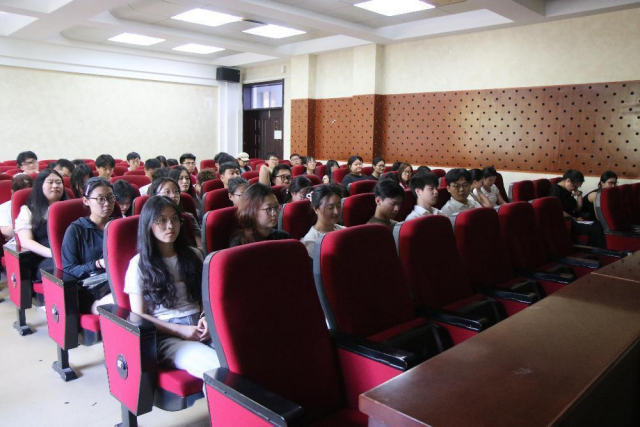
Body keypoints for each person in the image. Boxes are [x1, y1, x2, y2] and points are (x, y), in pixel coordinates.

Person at [124, 196, 219, 380]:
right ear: (149, 225)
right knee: (214, 367)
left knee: (237, 357)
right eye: (162, 220)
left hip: (201, 326)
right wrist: (179, 330)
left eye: (175, 219)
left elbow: (204, 296)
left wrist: (205, 317)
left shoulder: (194, 255)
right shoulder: (139, 264)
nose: (170, 226)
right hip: (167, 334)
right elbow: (138, 315)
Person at [61, 177, 116, 314]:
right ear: (86, 201)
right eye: (101, 199)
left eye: (110, 198)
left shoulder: (117, 226)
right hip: (93, 289)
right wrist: (97, 264)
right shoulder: (76, 230)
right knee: (124, 302)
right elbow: (69, 268)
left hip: (119, 281)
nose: (107, 203)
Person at [15, 170, 69, 280]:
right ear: (40, 186)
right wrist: (53, 254)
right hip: (45, 257)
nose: (55, 186)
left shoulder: (70, 207)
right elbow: (26, 241)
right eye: (50, 182)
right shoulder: (28, 210)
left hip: (71, 253)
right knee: (68, 271)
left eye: (58, 182)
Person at [149, 177, 202, 249]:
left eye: (176, 192)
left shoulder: (188, 217)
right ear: (155, 196)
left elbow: (200, 247)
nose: (173, 195)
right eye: (167, 192)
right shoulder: (150, 219)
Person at [301, 184, 345, 257]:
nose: (336, 212)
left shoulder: (344, 230)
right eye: (330, 207)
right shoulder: (311, 241)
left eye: (338, 206)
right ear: (316, 209)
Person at [0, 174, 33, 241]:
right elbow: (6, 234)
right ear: (13, 192)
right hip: (15, 240)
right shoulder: (4, 208)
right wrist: (24, 217)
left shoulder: (39, 203)